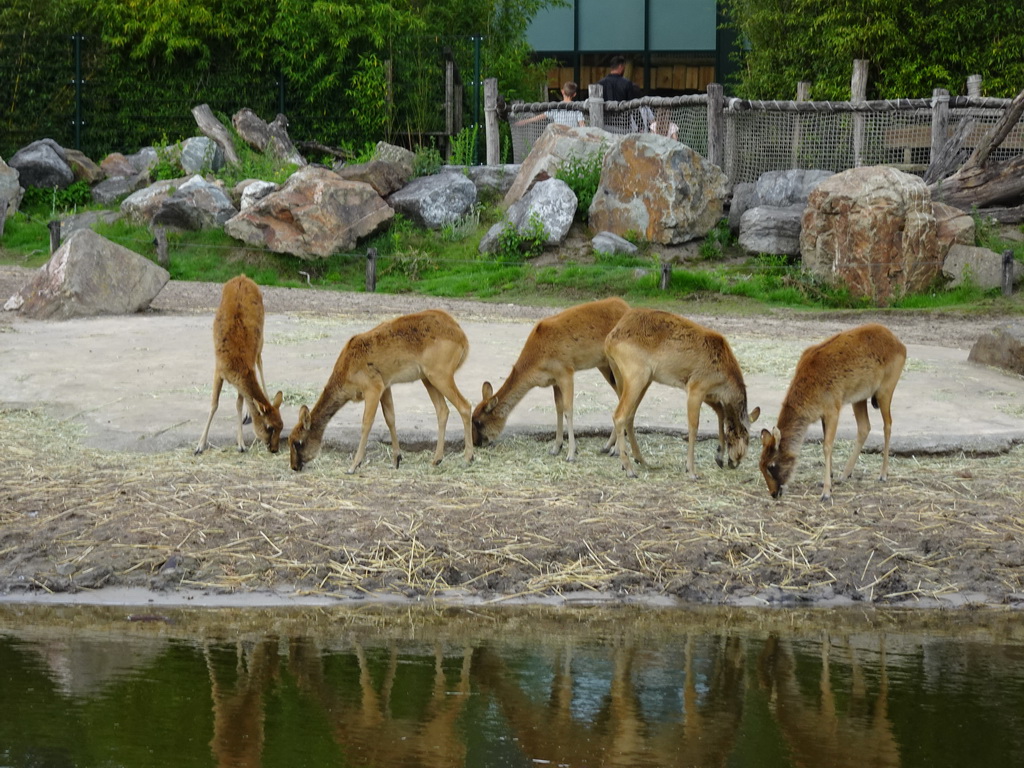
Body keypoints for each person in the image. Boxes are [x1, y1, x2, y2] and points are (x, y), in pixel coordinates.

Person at [516, 82, 585, 128]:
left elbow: (541, 116)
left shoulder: (556, 107)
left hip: (558, 137)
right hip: (572, 137)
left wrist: (525, 121)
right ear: (574, 94)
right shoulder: (577, 108)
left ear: (562, 91)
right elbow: (582, 124)